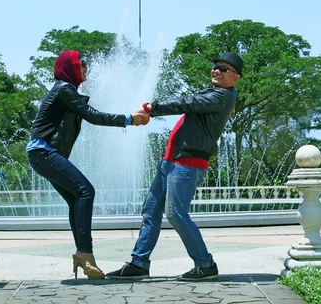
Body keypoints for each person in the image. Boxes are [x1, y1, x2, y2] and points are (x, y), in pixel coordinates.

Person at [106, 52, 243, 282]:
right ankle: (139, 263)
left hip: (187, 164)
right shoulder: (212, 92)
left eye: (224, 69)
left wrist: (152, 107)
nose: (217, 70)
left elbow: (187, 103)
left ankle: (205, 264)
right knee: (150, 211)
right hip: (170, 162)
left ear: (236, 77)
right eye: (215, 66)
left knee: (176, 214)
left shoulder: (223, 96)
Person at [26, 50, 148, 280]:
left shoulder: (67, 91)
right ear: (70, 67)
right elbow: (92, 116)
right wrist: (129, 119)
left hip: (42, 153)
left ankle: (84, 255)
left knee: (76, 198)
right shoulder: (64, 89)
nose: (86, 67)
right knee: (86, 191)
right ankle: (84, 254)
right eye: (81, 63)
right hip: (44, 152)